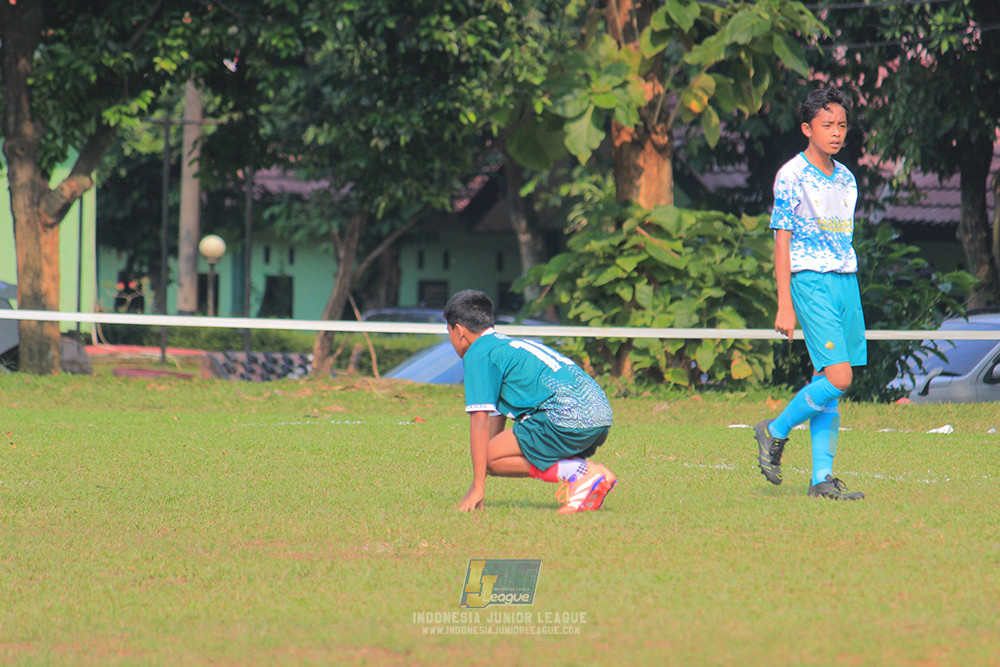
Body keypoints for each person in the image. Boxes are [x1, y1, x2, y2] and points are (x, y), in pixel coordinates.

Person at [754, 87, 867, 500]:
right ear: (807, 129)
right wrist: (785, 303)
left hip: (844, 280)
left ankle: (822, 478)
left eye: (842, 125)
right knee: (840, 377)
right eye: (827, 125)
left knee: (827, 380)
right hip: (810, 280)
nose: (836, 132)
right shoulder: (791, 175)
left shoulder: (847, 178)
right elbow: (782, 239)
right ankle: (775, 429)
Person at [443, 289, 617, 513]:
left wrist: (478, 486)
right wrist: (490, 459)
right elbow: (495, 417)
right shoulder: (505, 346)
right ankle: (587, 483)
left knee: (486, 459)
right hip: (600, 417)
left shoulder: (477, 354)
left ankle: (580, 473)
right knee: (489, 456)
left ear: (459, 331)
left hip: (566, 419)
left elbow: (479, 421)